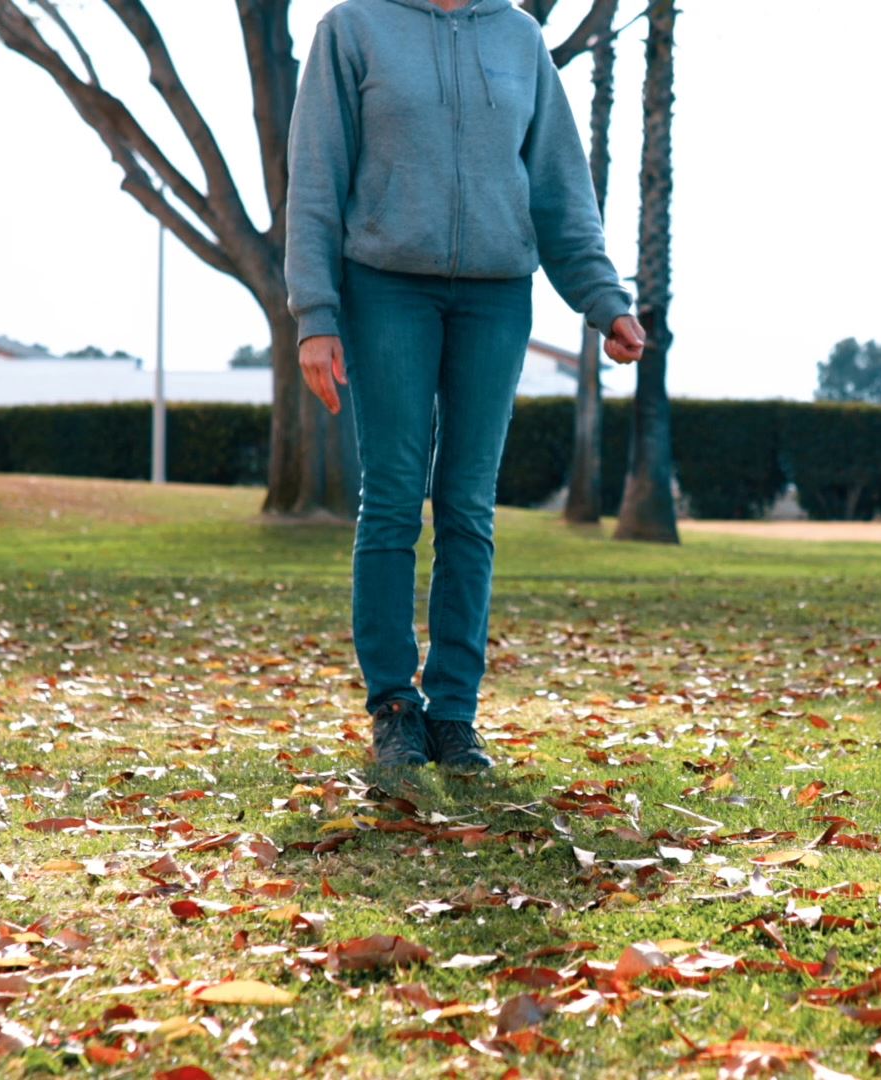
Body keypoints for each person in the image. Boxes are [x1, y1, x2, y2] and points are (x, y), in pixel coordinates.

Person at [285, 0, 645, 772]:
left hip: (497, 294)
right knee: (390, 496)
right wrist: (316, 314)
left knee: (469, 504)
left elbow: (557, 186)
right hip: (384, 287)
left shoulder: (519, 36)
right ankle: (393, 707)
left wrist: (603, 299)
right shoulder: (352, 30)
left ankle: (453, 713)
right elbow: (315, 177)